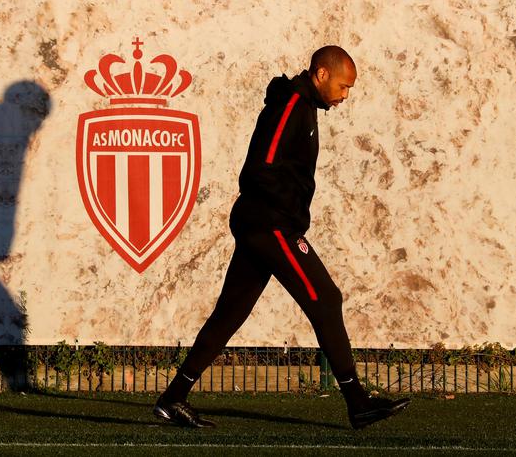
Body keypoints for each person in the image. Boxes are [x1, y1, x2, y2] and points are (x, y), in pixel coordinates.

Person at [153, 46, 409, 429]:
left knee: (230, 313)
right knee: (325, 298)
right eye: (343, 86)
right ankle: (358, 402)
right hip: (270, 223)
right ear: (321, 74)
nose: (345, 96)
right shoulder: (291, 103)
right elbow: (262, 166)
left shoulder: (304, 106)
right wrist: (286, 215)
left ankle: (173, 398)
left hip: (267, 222)